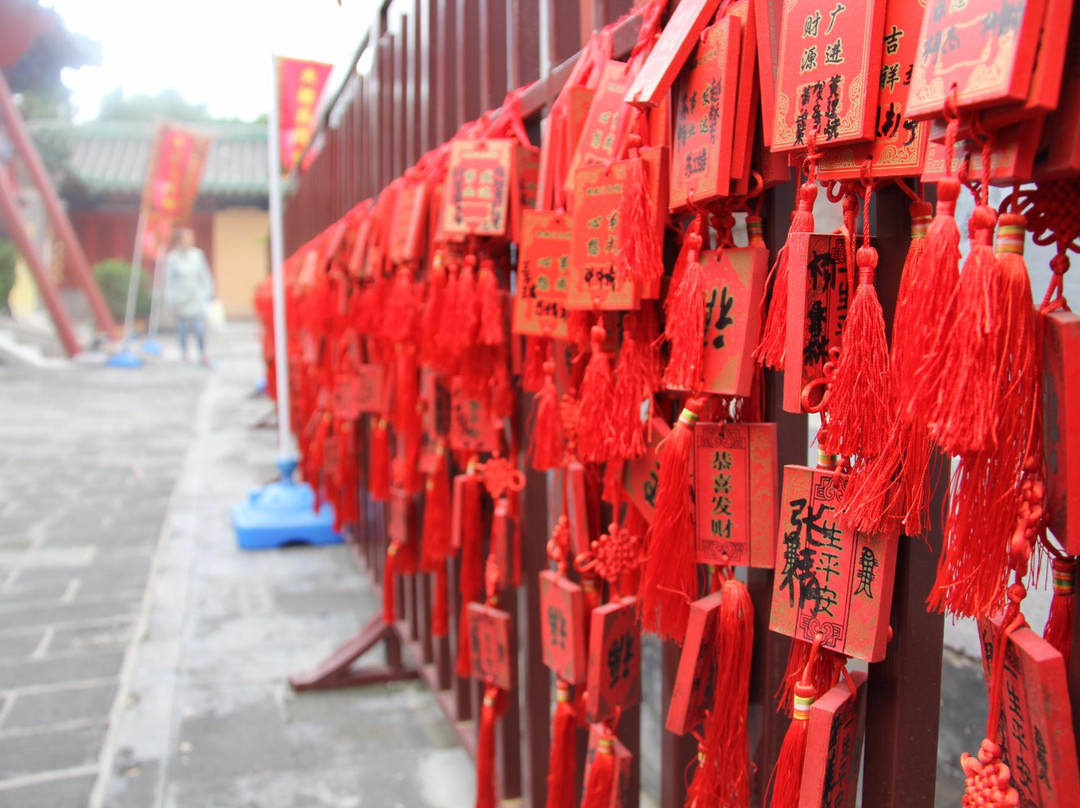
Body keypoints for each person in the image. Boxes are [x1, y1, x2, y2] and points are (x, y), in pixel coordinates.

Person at [164, 227, 215, 365]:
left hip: (196, 297)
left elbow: (204, 276)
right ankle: (184, 355)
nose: (191, 240)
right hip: (180, 299)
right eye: (187, 237)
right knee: (181, 329)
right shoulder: (172, 258)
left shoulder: (197, 255)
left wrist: (208, 293)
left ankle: (203, 354)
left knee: (199, 328)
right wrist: (171, 300)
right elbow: (169, 281)